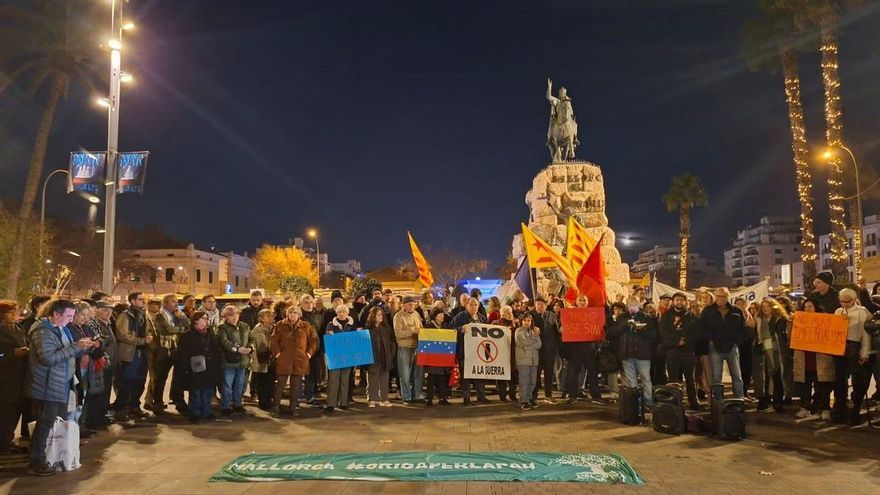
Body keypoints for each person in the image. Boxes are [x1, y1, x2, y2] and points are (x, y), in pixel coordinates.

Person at [25, 299, 91, 476]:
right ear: (56, 314)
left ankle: (44, 455)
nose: (71, 320)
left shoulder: (60, 328)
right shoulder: (43, 331)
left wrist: (80, 347)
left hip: (59, 381)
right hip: (47, 383)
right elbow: (48, 358)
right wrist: (76, 347)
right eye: (68, 316)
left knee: (49, 421)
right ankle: (36, 461)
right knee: (44, 422)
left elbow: (65, 351)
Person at [833, 287, 873, 426]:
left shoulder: (862, 312)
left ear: (854, 300)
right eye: (841, 301)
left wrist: (865, 353)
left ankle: (855, 411)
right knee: (839, 381)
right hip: (840, 347)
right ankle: (840, 409)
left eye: (847, 301)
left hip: (855, 346)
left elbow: (866, 334)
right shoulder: (838, 311)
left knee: (858, 381)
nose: (844, 304)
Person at [607, 300, 656, 410]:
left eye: (635, 305)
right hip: (626, 354)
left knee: (645, 379)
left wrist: (641, 329)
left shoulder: (646, 317)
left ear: (639, 306)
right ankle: (634, 403)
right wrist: (625, 325)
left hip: (642, 354)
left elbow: (653, 334)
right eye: (630, 306)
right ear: (627, 307)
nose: (632, 308)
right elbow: (613, 333)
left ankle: (649, 402)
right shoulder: (621, 318)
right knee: (630, 380)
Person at [177, 311, 223, 423]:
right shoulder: (186, 335)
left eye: (206, 319)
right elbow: (182, 354)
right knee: (196, 391)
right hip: (194, 368)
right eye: (203, 318)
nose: (205, 321)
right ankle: (194, 412)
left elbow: (216, 349)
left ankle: (207, 412)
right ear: (195, 320)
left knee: (207, 391)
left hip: (209, 367)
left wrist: (216, 362)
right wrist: (186, 368)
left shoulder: (210, 333)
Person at [701, 287, 746, 401]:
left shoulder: (736, 310)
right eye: (718, 296)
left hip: (732, 347)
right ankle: (718, 401)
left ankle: (739, 399)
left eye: (724, 296)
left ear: (728, 297)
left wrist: (737, 342)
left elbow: (742, 328)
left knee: (737, 376)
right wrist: (710, 340)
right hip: (715, 347)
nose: (721, 299)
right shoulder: (708, 310)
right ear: (715, 297)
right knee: (716, 377)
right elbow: (703, 328)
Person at [270, 309, 316, 417]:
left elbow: (313, 340)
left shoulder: (306, 326)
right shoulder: (280, 325)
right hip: (284, 358)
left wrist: (308, 354)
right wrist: (277, 354)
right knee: (280, 385)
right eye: (290, 313)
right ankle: (276, 407)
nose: (292, 315)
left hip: (300, 359)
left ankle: (293, 408)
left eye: (295, 313)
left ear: (299, 315)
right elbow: (273, 340)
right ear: (287, 314)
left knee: (296, 385)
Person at [115, 292, 154, 421]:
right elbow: (122, 334)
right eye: (140, 299)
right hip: (130, 353)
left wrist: (147, 338)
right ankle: (121, 409)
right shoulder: (125, 316)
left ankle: (134, 406)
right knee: (127, 383)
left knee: (140, 382)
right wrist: (141, 341)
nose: (143, 301)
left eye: (144, 299)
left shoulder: (143, 314)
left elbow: (147, 330)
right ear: (132, 301)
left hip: (142, 352)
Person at [148, 294, 189, 415]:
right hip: (163, 350)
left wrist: (182, 317)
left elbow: (189, 324)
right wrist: (182, 330)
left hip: (177, 349)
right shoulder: (159, 316)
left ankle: (179, 401)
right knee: (160, 378)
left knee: (178, 377)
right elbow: (167, 329)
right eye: (172, 302)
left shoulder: (178, 315)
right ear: (165, 303)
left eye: (176, 301)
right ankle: (158, 402)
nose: (176, 304)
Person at [793, 299, 834, 420]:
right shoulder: (798, 321)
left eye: (810, 306)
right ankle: (805, 407)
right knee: (805, 386)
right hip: (805, 359)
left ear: (816, 307)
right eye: (805, 307)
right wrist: (791, 322)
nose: (808, 309)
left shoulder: (824, 320)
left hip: (820, 359)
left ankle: (825, 408)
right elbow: (791, 335)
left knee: (822, 386)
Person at [659, 292, 701, 410]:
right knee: (673, 380)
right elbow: (663, 333)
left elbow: (696, 333)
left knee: (690, 380)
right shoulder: (666, 316)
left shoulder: (691, 316)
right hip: (673, 352)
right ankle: (674, 402)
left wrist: (685, 340)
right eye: (677, 300)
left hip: (688, 352)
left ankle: (693, 402)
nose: (679, 302)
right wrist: (676, 341)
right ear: (674, 301)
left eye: (682, 300)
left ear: (685, 302)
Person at [560, 295, 602, 405]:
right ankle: (572, 395)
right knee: (573, 373)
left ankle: (596, 396)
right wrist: (563, 330)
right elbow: (563, 329)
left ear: (588, 303)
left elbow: (599, 331)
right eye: (580, 300)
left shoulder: (594, 315)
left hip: (590, 350)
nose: (582, 302)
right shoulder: (569, 315)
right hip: (575, 350)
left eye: (584, 300)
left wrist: (597, 346)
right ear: (576, 303)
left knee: (593, 373)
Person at [0, 300, 29, 454]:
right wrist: (11, 354)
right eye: (10, 312)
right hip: (4, 378)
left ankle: (7, 440)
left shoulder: (18, 328)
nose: (15, 314)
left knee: (15, 411)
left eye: (16, 311)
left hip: (20, 377)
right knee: (4, 412)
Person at [451, 297, 489, 404]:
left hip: (479, 351)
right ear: (466, 306)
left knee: (480, 374)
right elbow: (451, 330)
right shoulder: (460, 316)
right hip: (465, 351)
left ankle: (481, 396)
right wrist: (461, 329)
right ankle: (466, 398)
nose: (474, 307)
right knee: (466, 375)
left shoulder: (481, 318)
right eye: (471, 305)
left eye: (476, 305)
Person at [216, 305, 252, 415]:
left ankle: (237, 404)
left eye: (236, 314)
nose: (234, 317)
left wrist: (250, 347)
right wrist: (238, 349)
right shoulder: (222, 328)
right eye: (231, 315)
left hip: (242, 361)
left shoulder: (244, 326)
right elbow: (224, 342)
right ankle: (225, 406)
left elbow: (251, 338)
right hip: (229, 362)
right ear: (225, 317)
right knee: (227, 384)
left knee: (240, 384)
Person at [753, 298, 787, 413]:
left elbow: (779, 336)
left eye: (768, 306)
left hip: (775, 351)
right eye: (763, 307)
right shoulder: (758, 319)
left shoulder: (779, 319)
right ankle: (764, 401)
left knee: (776, 376)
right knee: (763, 378)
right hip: (761, 351)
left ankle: (778, 402)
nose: (766, 309)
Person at [324, 304, 356, 413]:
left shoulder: (352, 325)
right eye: (339, 312)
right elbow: (327, 338)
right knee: (333, 380)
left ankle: (343, 403)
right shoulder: (330, 325)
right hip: (335, 356)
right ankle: (331, 404)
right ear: (336, 313)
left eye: (344, 312)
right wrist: (329, 335)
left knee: (345, 380)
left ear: (347, 314)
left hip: (348, 356)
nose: (342, 314)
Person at [89, 301, 117, 428]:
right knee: (99, 393)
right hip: (100, 362)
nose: (108, 312)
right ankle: (95, 419)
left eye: (110, 310)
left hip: (110, 362)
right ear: (96, 310)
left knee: (105, 392)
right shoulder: (96, 324)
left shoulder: (108, 323)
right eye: (105, 310)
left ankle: (101, 415)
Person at [393, 296, 424, 403]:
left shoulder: (416, 314)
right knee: (405, 374)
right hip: (404, 347)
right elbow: (398, 334)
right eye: (409, 304)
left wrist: (419, 331)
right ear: (403, 305)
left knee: (418, 373)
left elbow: (421, 329)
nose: (412, 306)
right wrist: (411, 331)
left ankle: (416, 394)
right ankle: (406, 396)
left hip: (417, 347)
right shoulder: (398, 316)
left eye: (413, 304)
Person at [531, 296, 560, 404]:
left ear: (545, 306)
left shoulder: (551, 316)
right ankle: (533, 395)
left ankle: (549, 394)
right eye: (538, 304)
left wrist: (556, 347)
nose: (539, 306)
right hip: (536, 351)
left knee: (549, 373)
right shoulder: (530, 316)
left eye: (542, 304)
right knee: (536, 374)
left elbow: (556, 332)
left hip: (549, 350)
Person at [366, 306, 395, 407]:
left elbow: (392, 342)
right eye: (378, 315)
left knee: (384, 378)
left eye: (382, 314)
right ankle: (372, 399)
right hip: (373, 357)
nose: (381, 317)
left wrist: (391, 354)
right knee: (373, 378)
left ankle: (384, 398)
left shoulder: (386, 328)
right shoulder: (368, 329)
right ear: (373, 316)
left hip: (385, 356)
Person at [423, 307, 453, 406]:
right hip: (432, 356)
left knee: (442, 377)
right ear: (435, 316)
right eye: (440, 315)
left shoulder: (445, 326)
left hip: (442, 356)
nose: (442, 316)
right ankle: (430, 399)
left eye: (442, 314)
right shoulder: (428, 326)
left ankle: (442, 397)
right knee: (431, 378)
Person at [299, 294, 325, 406]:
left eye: (310, 302)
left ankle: (310, 397)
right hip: (301, 350)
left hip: (315, 350)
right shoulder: (298, 316)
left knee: (312, 374)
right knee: (299, 375)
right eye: (306, 302)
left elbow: (321, 332)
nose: (309, 304)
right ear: (300, 304)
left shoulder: (318, 316)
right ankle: (298, 398)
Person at [249, 309, 276, 411]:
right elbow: (260, 346)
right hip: (262, 358)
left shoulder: (274, 327)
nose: (271, 318)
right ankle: (263, 403)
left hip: (271, 358)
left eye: (271, 316)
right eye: (268, 316)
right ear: (261, 318)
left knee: (271, 381)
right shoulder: (257, 330)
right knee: (262, 382)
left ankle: (269, 400)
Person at [491, 305, 518, 403]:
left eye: (511, 312)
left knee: (513, 375)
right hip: (501, 353)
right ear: (503, 314)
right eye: (508, 312)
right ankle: (502, 395)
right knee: (501, 374)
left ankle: (512, 394)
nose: (510, 314)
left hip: (513, 353)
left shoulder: (515, 324)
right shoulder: (495, 323)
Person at [515, 313, 542, 410]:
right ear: (521, 321)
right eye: (525, 320)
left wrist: (527, 346)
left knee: (533, 381)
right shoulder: (518, 331)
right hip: (523, 360)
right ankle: (524, 400)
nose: (527, 322)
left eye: (529, 321)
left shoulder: (533, 331)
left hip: (534, 360)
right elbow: (523, 342)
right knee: (524, 381)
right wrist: (533, 341)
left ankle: (530, 398)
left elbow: (539, 344)